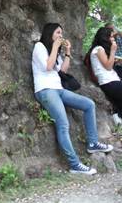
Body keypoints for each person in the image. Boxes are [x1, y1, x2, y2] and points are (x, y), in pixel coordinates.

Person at [32, 23, 113, 175]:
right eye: (57, 33)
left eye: (61, 33)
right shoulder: (39, 47)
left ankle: (93, 142)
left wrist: (67, 52)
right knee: (63, 124)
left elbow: (62, 70)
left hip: (59, 89)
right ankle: (75, 165)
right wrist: (56, 47)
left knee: (89, 104)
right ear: (50, 33)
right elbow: (47, 67)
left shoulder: (54, 51)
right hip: (46, 90)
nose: (60, 36)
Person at [88, 27, 122, 125]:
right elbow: (108, 66)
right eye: (111, 37)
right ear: (105, 37)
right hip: (108, 82)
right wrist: (112, 51)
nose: (113, 39)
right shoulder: (99, 49)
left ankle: (117, 116)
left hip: (112, 81)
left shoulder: (101, 49)